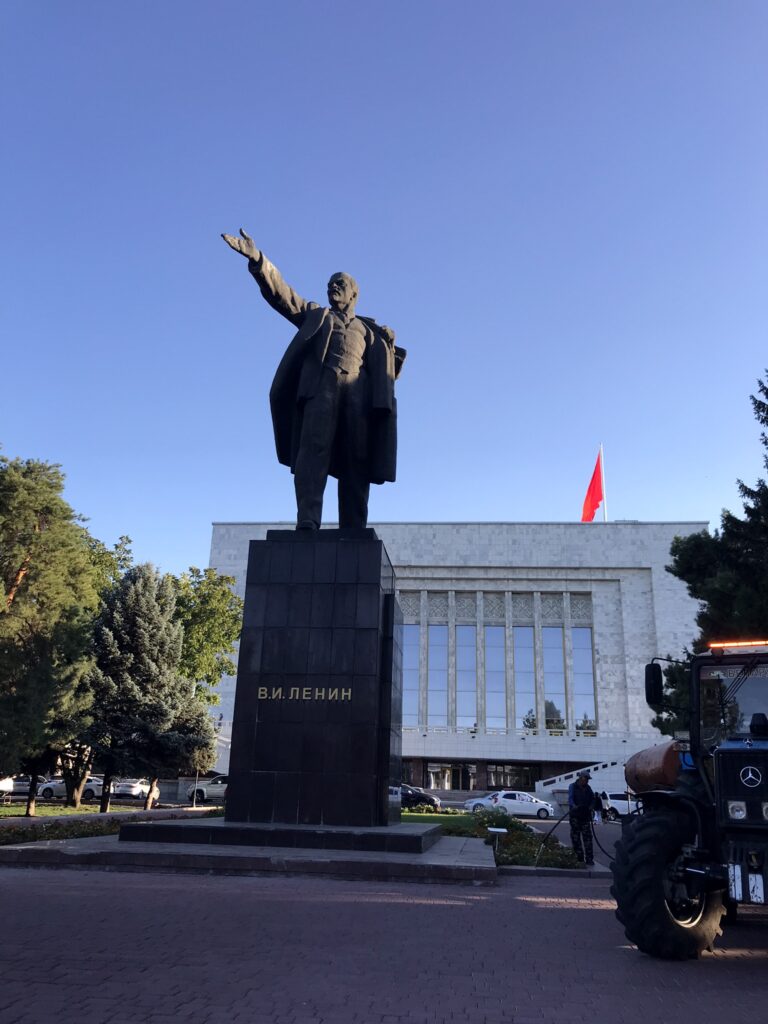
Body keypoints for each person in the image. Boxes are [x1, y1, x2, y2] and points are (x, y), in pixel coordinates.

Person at [222, 229, 406, 530]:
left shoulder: (371, 330)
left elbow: (389, 378)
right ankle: (308, 519)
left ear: (354, 293)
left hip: (357, 397)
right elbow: (283, 295)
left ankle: (354, 525)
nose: (333, 286)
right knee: (313, 453)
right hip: (320, 391)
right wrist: (258, 261)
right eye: (330, 283)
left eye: (340, 283)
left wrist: (389, 349)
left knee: (356, 459)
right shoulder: (316, 315)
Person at [568, 769, 595, 865]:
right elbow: (570, 799)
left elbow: (593, 799)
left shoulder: (588, 788)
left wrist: (591, 807)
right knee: (576, 837)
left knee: (587, 837)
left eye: (588, 779)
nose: (587, 780)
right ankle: (579, 857)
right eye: (586, 778)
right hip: (575, 816)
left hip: (585, 816)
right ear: (580, 778)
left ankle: (589, 858)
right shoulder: (573, 786)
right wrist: (574, 806)